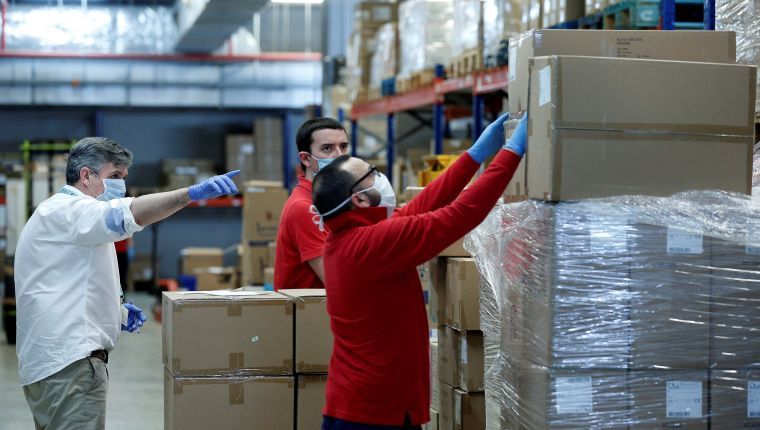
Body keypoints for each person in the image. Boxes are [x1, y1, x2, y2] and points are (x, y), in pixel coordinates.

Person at [312, 113, 528, 429]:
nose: (379, 177)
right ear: (359, 199)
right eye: (371, 174)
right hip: (372, 414)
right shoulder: (371, 244)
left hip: (364, 405)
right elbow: (461, 214)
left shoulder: (351, 237)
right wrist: (512, 152)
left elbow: (423, 204)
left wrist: (475, 155)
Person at [14, 137, 240, 430]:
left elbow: (65, 282)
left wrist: (115, 311)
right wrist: (189, 194)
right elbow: (129, 213)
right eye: (115, 176)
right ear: (86, 175)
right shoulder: (72, 211)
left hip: (51, 365)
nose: (121, 185)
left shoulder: (56, 214)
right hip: (70, 366)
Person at [274, 117, 349, 290]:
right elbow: (337, 281)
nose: (340, 155)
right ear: (306, 159)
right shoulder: (305, 208)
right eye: (327, 148)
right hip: (311, 307)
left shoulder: (331, 199)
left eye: (343, 146)